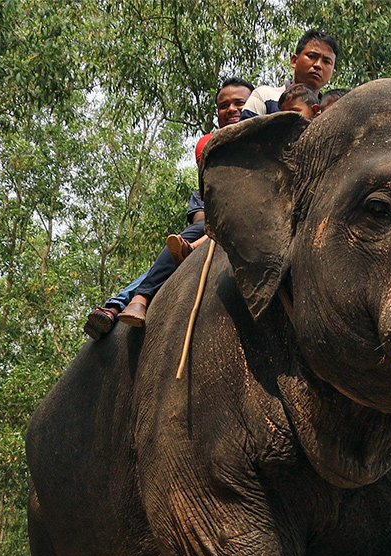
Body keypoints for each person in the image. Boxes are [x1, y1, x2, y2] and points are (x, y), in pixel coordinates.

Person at [84, 79, 256, 339]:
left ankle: (118, 302)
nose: (231, 109)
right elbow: (202, 217)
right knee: (195, 235)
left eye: (239, 103)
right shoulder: (210, 145)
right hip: (213, 229)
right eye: (224, 105)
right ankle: (135, 298)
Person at [244, 30, 338, 115]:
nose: (318, 65)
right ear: (294, 60)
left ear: (332, 72)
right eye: (312, 56)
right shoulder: (264, 97)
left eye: (326, 61)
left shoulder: (331, 110)